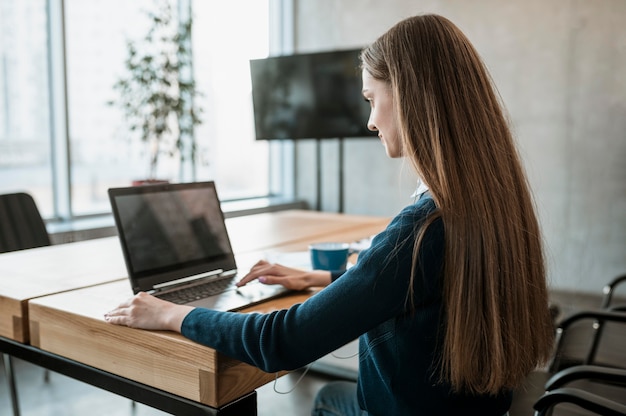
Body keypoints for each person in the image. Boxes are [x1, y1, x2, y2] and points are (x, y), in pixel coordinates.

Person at [105, 13, 555, 415]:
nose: (370, 121)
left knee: (325, 401)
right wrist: (320, 280)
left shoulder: (423, 228)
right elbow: (413, 284)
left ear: (410, 96)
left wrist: (170, 315)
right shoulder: (488, 203)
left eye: (370, 98)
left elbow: (283, 342)